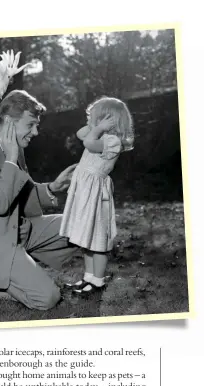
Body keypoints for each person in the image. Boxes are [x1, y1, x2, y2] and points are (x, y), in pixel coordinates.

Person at [0, 89, 78, 310]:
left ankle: (21, 270)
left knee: (80, 225)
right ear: (10, 123)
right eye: (31, 124)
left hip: (20, 232)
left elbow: (25, 193)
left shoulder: (15, 148)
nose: (36, 132)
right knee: (48, 298)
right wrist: (11, 160)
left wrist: (53, 187)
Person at [60, 96, 134, 296]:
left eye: (93, 118)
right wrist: (95, 125)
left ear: (108, 121)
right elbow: (81, 133)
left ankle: (98, 282)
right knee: (87, 239)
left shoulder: (112, 141)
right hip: (85, 192)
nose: (89, 122)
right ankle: (88, 278)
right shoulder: (99, 135)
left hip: (95, 194)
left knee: (98, 240)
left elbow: (89, 143)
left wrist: (98, 128)